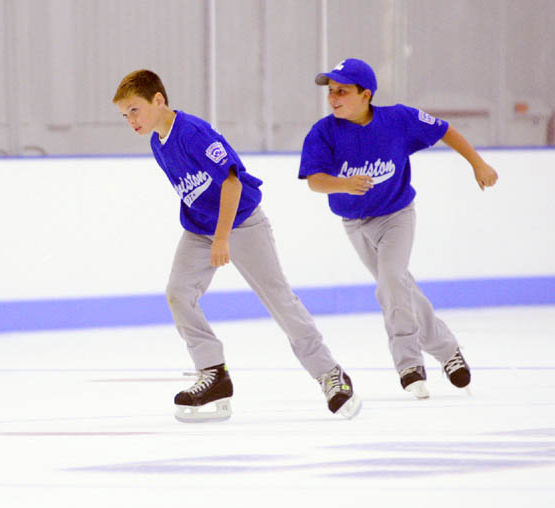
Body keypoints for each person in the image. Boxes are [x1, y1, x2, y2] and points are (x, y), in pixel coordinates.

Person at [112, 69, 361, 422]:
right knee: (178, 293)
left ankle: (330, 374)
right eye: (124, 115)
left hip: (241, 222)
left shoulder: (194, 132)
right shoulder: (157, 142)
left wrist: (223, 237)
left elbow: (232, 184)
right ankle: (213, 372)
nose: (130, 121)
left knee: (279, 299)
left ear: (158, 100)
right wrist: (210, 233)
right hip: (200, 228)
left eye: (134, 110)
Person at [298, 58, 498, 399]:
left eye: (342, 91)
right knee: (398, 285)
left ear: (366, 94)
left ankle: (408, 363)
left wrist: (478, 163)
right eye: (331, 92)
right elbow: (315, 181)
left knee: (391, 280)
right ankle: (447, 349)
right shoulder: (323, 132)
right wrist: (343, 184)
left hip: (396, 215)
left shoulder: (399, 119)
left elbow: (444, 129)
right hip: (355, 224)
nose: (333, 98)